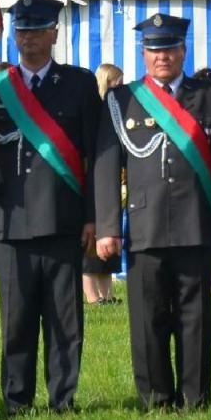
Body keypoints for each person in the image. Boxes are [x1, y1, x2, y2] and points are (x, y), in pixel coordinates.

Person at [95, 13, 211, 410]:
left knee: (195, 318)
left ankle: (195, 397)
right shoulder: (122, 100)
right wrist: (108, 226)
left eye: (170, 49)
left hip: (195, 224)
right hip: (144, 224)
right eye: (154, 50)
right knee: (147, 318)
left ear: (183, 51)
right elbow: (106, 167)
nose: (162, 58)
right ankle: (156, 397)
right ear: (143, 54)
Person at [0, 0, 102, 415]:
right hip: (12, 222)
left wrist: (93, 215)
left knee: (64, 320)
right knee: (15, 321)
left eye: (37, 31)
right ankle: (16, 401)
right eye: (22, 31)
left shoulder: (79, 83)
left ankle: (62, 398)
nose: (29, 39)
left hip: (62, 219)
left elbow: (96, 154)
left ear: (54, 34)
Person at [81, 62, 124, 305]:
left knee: (111, 232)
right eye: (116, 82)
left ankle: (107, 293)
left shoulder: (115, 110)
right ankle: (91, 294)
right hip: (91, 179)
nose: (120, 86)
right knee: (91, 238)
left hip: (111, 179)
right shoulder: (94, 109)